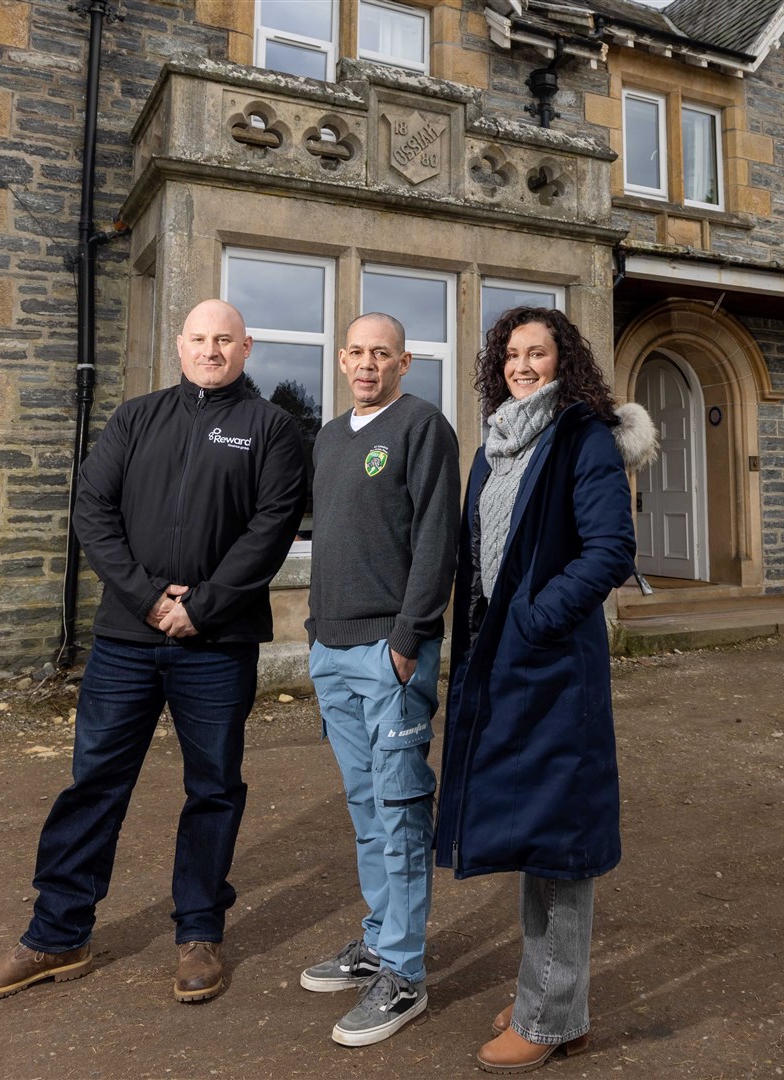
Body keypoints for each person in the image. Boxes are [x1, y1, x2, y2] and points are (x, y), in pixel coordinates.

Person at [0, 299, 306, 1004]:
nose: (211, 350)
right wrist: (149, 599)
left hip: (217, 644)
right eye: (200, 339)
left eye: (225, 340)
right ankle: (58, 934)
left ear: (247, 347)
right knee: (94, 783)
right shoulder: (135, 417)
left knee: (212, 789)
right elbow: (93, 508)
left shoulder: (270, 428)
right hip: (125, 640)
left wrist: (200, 607)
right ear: (180, 345)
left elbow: (272, 528)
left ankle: (200, 933)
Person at [435, 306, 656, 1073]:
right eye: (512, 355)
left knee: (561, 844)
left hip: (553, 666)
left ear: (565, 363)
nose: (523, 366)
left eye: (538, 353)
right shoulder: (496, 445)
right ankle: (549, 994)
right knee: (531, 834)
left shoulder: (581, 437)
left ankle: (553, 1014)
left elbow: (610, 551)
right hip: (504, 666)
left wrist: (534, 618)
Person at [300, 313, 460, 1046]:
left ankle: (404, 973)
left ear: (404, 362)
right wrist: (314, 634)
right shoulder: (331, 437)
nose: (368, 364)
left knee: (399, 810)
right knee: (366, 806)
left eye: (382, 354)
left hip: (389, 652)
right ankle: (377, 941)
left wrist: (408, 638)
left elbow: (436, 539)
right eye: (357, 353)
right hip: (330, 650)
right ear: (342, 361)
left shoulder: (424, 427)